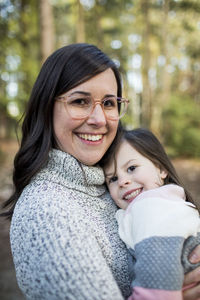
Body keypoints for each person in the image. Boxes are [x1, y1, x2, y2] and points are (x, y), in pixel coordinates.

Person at [1, 43, 200, 300]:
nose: (99, 119)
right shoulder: (48, 210)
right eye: (80, 101)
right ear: (46, 107)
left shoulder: (106, 184)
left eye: (108, 103)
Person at [102, 128, 200, 300]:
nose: (123, 181)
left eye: (131, 168)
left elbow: (157, 288)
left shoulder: (151, 207)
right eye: (113, 179)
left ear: (161, 169)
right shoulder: (160, 203)